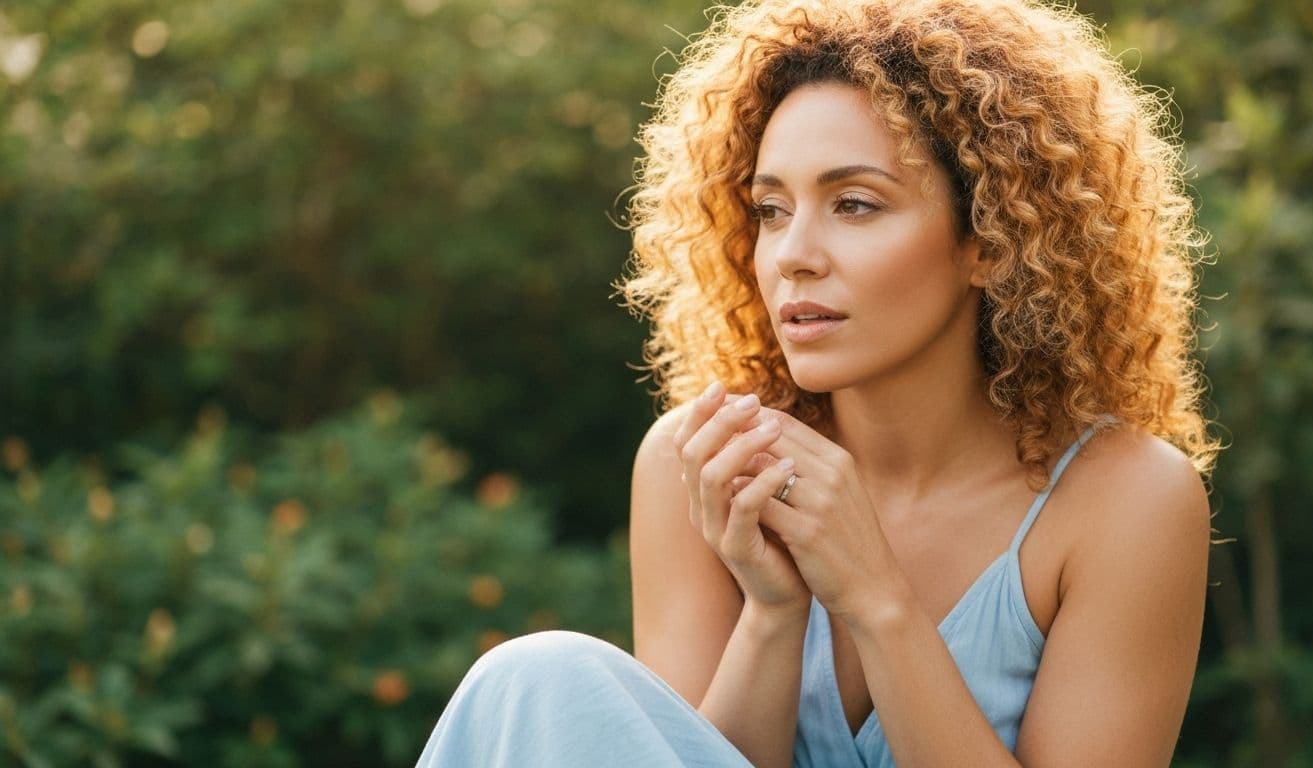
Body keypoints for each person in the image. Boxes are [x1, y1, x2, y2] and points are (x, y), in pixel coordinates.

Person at [416, 0, 1218, 765]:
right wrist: (773, 610)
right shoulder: (702, 462)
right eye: (770, 210)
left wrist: (876, 599)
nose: (792, 253)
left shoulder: (1129, 500)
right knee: (536, 678)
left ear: (991, 243)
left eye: (856, 205)